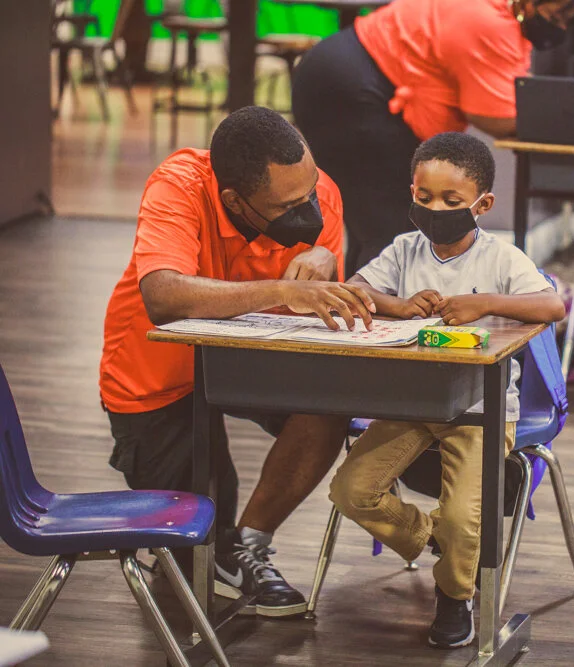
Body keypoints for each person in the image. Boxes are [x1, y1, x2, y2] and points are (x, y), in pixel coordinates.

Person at [100, 106, 376, 617]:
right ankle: (217, 552)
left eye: (310, 192)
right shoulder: (179, 185)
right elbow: (163, 295)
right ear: (234, 201)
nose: (309, 207)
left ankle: (248, 545)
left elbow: (328, 294)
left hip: (257, 359)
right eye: (288, 205)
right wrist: (280, 290)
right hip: (157, 371)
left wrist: (329, 261)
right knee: (192, 539)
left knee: (326, 407)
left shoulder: (315, 189)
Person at [329, 132, 565, 649]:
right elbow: (357, 288)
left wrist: (486, 303)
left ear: (483, 205)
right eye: (424, 197)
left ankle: (455, 594)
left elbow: (552, 306)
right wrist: (397, 305)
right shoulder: (405, 249)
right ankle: (442, 543)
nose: (435, 210)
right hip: (412, 403)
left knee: (463, 515)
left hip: (481, 408)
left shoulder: (501, 258)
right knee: (352, 490)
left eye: (451, 200)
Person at [292, 0, 574, 275]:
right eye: (555, 16)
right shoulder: (488, 22)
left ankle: (363, 307)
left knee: (376, 228)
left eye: (567, 20)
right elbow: (495, 116)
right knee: (390, 229)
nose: (560, 27)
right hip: (352, 88)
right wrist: (559, 125)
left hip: (346, 74)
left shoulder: (499, 15)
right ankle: (377, 312)